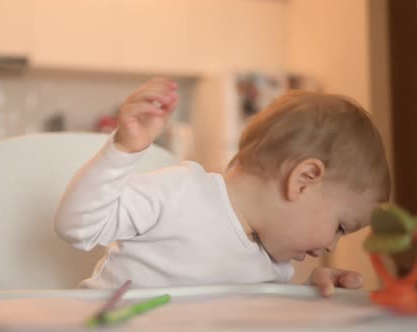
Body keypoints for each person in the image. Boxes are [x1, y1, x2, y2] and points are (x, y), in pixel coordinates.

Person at [54, 78, 391, 296]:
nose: (328, 247)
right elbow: (77, 227)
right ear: (302, 180)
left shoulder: (275, 264)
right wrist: (123, 151)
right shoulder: (180, 191)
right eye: (339, 227)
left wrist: (306, 295)